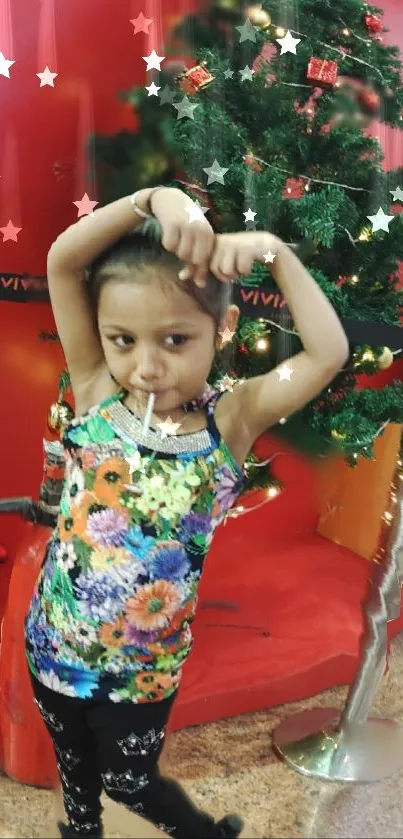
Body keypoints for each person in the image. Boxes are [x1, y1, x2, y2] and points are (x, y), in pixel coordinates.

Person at [24, 185, 349, 839]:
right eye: (122, 339)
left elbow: (326, 354)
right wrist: (154, 197)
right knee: (76, 769)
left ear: (219, 332)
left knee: (130, 780)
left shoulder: (229, 420)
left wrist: (276, 254)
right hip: (54, 642)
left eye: (174, 339)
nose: (145, 367)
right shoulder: (93, 388)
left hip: (144, 667)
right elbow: (63, 260)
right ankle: (81, 829)